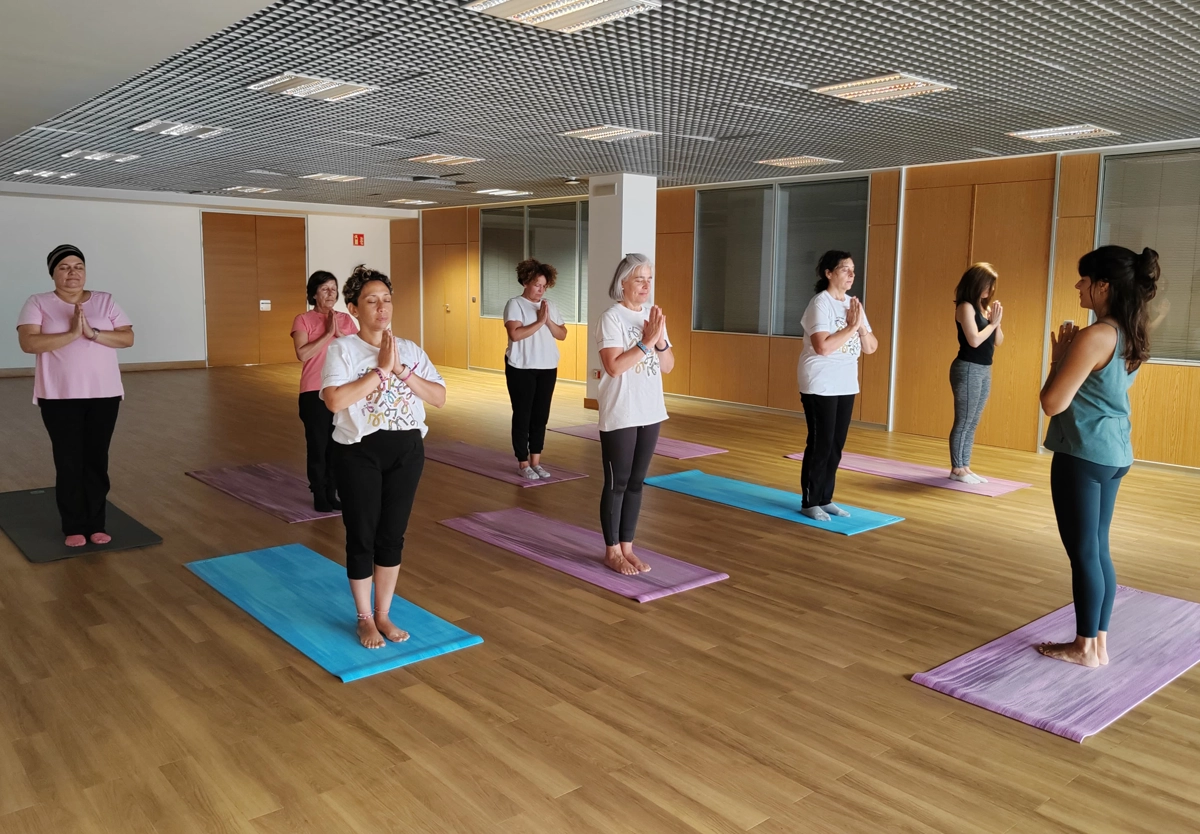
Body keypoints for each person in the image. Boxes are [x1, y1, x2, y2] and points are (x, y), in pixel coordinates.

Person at [1037, 245, 1159, 668]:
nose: (1077, 286)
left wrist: (1058, 359)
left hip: (1083, 456)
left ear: (1102, 286)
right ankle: (1098, 642)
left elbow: (1052, 402)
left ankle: (1085, 648)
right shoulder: (1130, 331)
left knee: (1084, 553)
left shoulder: (1095, 336)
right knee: (1098, 548)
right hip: (1113, 453)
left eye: (1083, 280)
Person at [321, 265, 446, 649]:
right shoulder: (342, 350)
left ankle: (383, 614)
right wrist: (380, 371)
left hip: (407, 450)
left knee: (392, 535)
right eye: (371, 301)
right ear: (354, 309)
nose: (382, 308)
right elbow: (334, 400)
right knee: (363, 535)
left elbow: (438, 397)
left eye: (387, 300)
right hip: (359, 452)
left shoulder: (410, 350)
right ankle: (363, 618)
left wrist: (401, 370)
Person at [16, 245, 135, 547]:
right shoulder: (38, 302)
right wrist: (71, 333)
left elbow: (127, 337)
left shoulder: (105, 301)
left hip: (104, 394)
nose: (72, 272)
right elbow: (29, 343)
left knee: (96, 460)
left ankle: (96, 523)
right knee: (69, 461)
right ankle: (73, 526)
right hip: (59, 396)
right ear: (53, 272)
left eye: (78, 266)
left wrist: (92, 332)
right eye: (64, 267)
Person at [596, 253, 674, 575]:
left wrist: (657, 339)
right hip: (621, 410)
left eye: (649, 279)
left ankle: (628, 547)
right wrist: (645, 341)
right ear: (623, 282)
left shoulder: (653, 317)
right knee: (618, 481)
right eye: (639, 278)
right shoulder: (611, 318)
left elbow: (668, 366)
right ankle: (611, 551)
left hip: (651, 409)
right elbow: (613, 367)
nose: (646, 285)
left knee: (637, 482)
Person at [796, 250, 879, 521]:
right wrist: (851, 326)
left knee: (836, 445)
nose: (851, 274)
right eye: (845, 269)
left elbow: (871, 347)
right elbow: (823, 347)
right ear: (828, 273)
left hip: (846, 383)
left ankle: (825, 498)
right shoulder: (819, 304)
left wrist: (860, 326)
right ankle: (810, 501)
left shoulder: (853, 305)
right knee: (821, 442)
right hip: (820, 381)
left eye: (853, 269)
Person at [292, 270, 358, 511]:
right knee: (318, 446)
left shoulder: (346, 320)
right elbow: (303, 353)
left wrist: (340, 333)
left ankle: (333, 492)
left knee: (338, 446)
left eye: (333, 288)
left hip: (342, 390)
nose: (331, 293)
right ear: (313, 293)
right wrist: (328, 333)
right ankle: (319, 493)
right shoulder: (303, 320)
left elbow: (356, 353)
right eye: (324, 289)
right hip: (313, 391)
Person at [503, 258, 567, 480]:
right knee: (523, 414)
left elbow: (562, 334)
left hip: (547, 367)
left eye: (544, 285)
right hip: (521, 367)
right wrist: (539, 322)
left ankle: (536, 461)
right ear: (526, 282)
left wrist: (547, 321)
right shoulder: (515, 304)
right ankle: (522, 462)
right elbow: (515, 334)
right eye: (537, 284)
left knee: (541, 415)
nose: (541, 289)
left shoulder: (550, 306)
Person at [948, 263, 1005, 484]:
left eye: (992, 287)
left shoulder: (984, 309)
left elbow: (998, 341)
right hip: (968, 367)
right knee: (964, 420)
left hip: (984, 369)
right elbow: (974, 340)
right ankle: (956, 468)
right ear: (975, 283)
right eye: (987, 285)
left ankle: (965, 465)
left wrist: (996, 324)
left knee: (973, 420)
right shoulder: (965, 307)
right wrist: (993, 324)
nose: (990, 290)